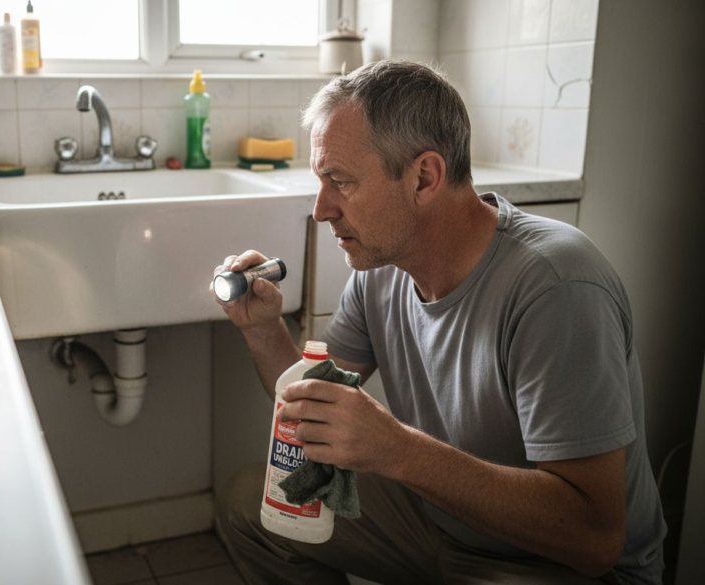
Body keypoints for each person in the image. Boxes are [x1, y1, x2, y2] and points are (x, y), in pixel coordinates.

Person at [212, 60, 666, 585]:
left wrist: (397, 449)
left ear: (424, 177)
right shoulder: (381, 268)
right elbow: (310, 403)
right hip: (441, 524)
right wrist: (262, 329)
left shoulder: (555, 286)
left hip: (553, 563)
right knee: (252, 505)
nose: (320, 209)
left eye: (340, 181)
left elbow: (594, 539)